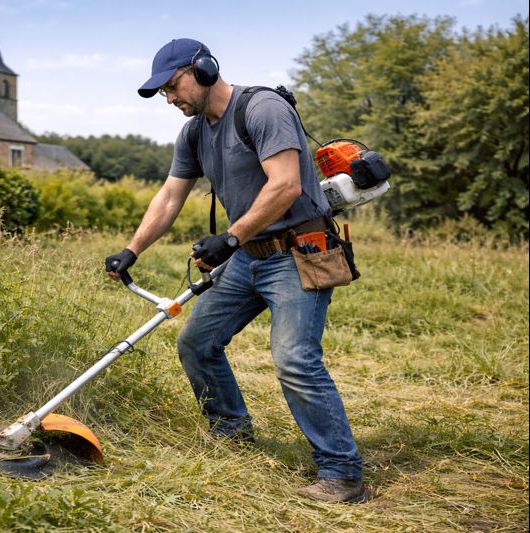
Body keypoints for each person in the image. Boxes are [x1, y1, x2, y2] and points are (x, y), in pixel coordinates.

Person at [105, 38, 368, 504]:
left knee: (294, 360)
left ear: (203, 69)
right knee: (197, 343)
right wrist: (133, 248)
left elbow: (285, 185)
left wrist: (230, 237)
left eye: (172, 86)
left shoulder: (263, 109)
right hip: (246, 257)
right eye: (163, 92)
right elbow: (170, 196)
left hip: (296, 252)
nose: (170, 98)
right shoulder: (193, 133)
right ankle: (231, 432)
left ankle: (341, 472)